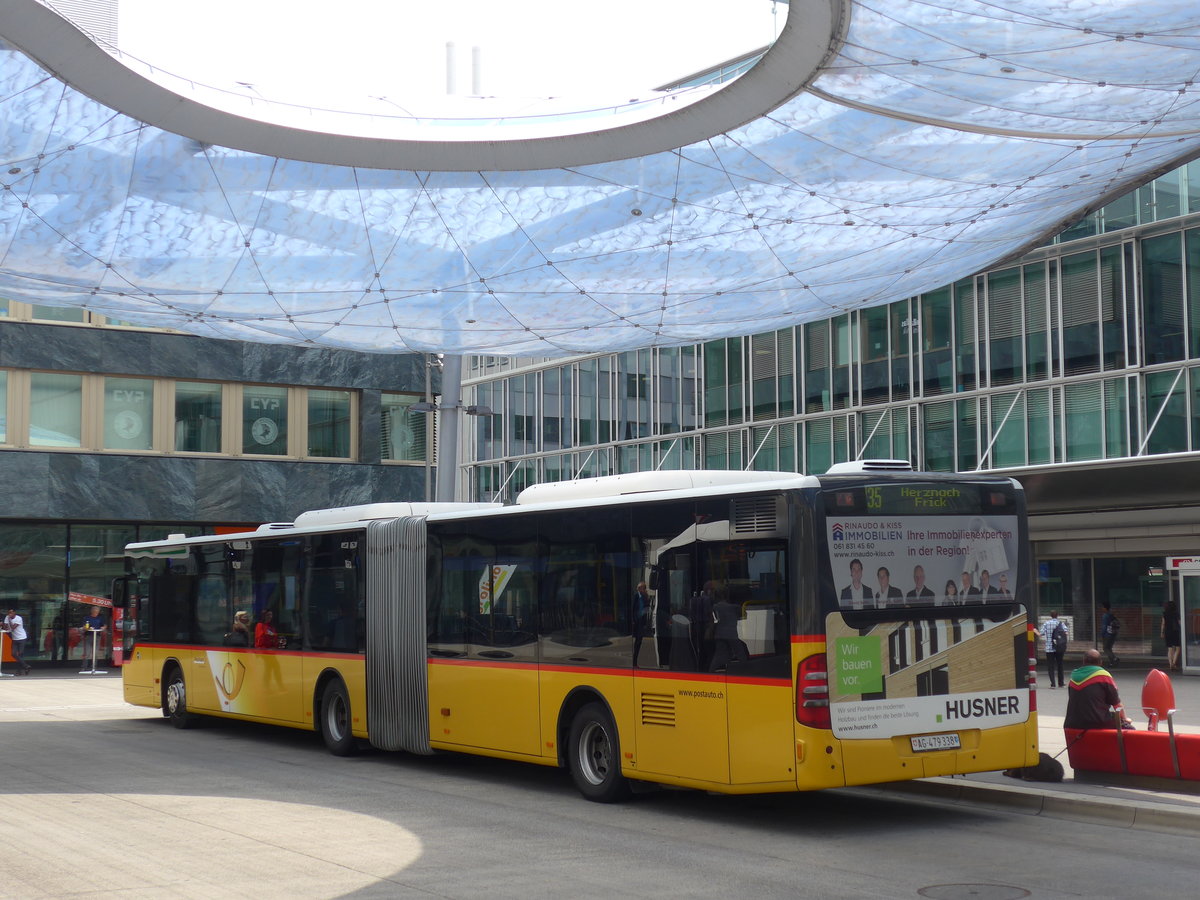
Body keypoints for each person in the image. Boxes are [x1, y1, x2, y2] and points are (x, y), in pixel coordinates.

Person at [1064, 648, 1132, 730]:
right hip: (1098, 722)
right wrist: (1125, 719)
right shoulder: (1103, 676)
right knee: (1129, 730)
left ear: (1083, 661)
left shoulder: (1073, 677)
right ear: (1100, 662)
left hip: (1072, 723)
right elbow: (1116, 704)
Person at [1041, 611, 1068, 688]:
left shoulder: (1046, 623)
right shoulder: (1061, 623)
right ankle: (1061, 683)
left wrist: (1035, 631)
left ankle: (1053, 684)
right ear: (1057, 615)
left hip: (1049, 647)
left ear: (1050, 616)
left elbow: (1041, 633)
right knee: (1060, 664)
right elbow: (1066, 633)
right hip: (1059, 647)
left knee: (1050, 666)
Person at [3, 608, 31, 675]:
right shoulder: (7, 617)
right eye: (9, 613)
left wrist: (9, 620)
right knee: (13, 654)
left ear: (14, 613)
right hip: (14, 639)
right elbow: (6, 627)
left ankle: (19, 671)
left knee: (20, 654)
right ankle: (26, 666)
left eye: (11, 613)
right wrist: (3, 624)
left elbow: (13, 628)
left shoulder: (19, 618)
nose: (10, 614)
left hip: (22, 638)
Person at [630, 581, 651, 667]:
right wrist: (633, 620)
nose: (639, 589)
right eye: (639, 587)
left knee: (639, 642)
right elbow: (632, 609)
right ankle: (634, 662)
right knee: (636, 642)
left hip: (641, 623)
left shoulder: (644, 596)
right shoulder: (636, 596)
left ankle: (635, 662)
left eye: (642, 588)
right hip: (636, 622)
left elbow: (646, 609)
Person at [80, 605, 106, 670]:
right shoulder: (87, 618)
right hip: (88, 636)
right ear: (92, 611)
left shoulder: (100, 618)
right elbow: (84, 627)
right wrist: (87, 628)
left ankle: (94, 666)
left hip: (97, 636)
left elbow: (104, 625)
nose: (96, 613)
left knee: (95, 652)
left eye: (97, 612)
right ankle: (84, 667)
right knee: (87, 652)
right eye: (94, 611)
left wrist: (103, 628)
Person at [1162, 599, 1182, 671]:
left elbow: (1163, 624)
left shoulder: (1165, 613)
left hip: (1167, 631)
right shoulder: (1176, 613)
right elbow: (1179, 622)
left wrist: (1162, 632)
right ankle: (1174, 663)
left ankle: (1170, 664)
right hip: (1175, 631)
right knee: (1177, 648)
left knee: (1170, 648)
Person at [1099, 601, 1120, 666]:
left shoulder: (1105, 616)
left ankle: (1114, 659)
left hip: (1107, 634)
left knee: (1105, 648)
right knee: (1109, 647)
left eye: (1102, 607)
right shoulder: (1111, 615)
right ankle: (1112, 661)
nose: (1101, 608)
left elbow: (1104, 626)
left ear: (1105, 608)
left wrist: (1102, 634)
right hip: (1113, 633)